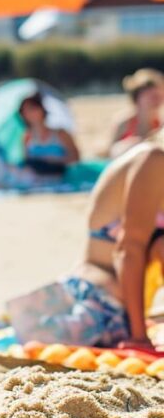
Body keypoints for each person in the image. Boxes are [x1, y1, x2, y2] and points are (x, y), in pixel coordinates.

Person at [63, 131, 164, 348]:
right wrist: (139, 338)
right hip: (96, 303)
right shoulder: (154, 160)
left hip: (126, 304)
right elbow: (129, 249)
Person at [105, 68, 163, 158]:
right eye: (152, 97)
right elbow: (109, 153)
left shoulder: (161, 125)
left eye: (158, 96)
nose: (156, 101)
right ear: (137, 97)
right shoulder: (124, 123)